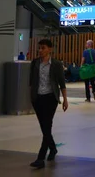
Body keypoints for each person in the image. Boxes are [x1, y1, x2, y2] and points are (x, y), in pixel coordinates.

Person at [29, 39, 68, 169]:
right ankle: (53, 148)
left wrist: (65, 100)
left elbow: (62, 83)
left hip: (51, 98)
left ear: (50, 49)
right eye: (39, 48)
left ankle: (40, 158)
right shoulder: (35, 63)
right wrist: (31, 97)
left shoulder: (56, 64)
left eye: (43, 48)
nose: (40, 51)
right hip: (38, 98)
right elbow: (31, 81)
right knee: (44, 127)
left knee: (47, 125)